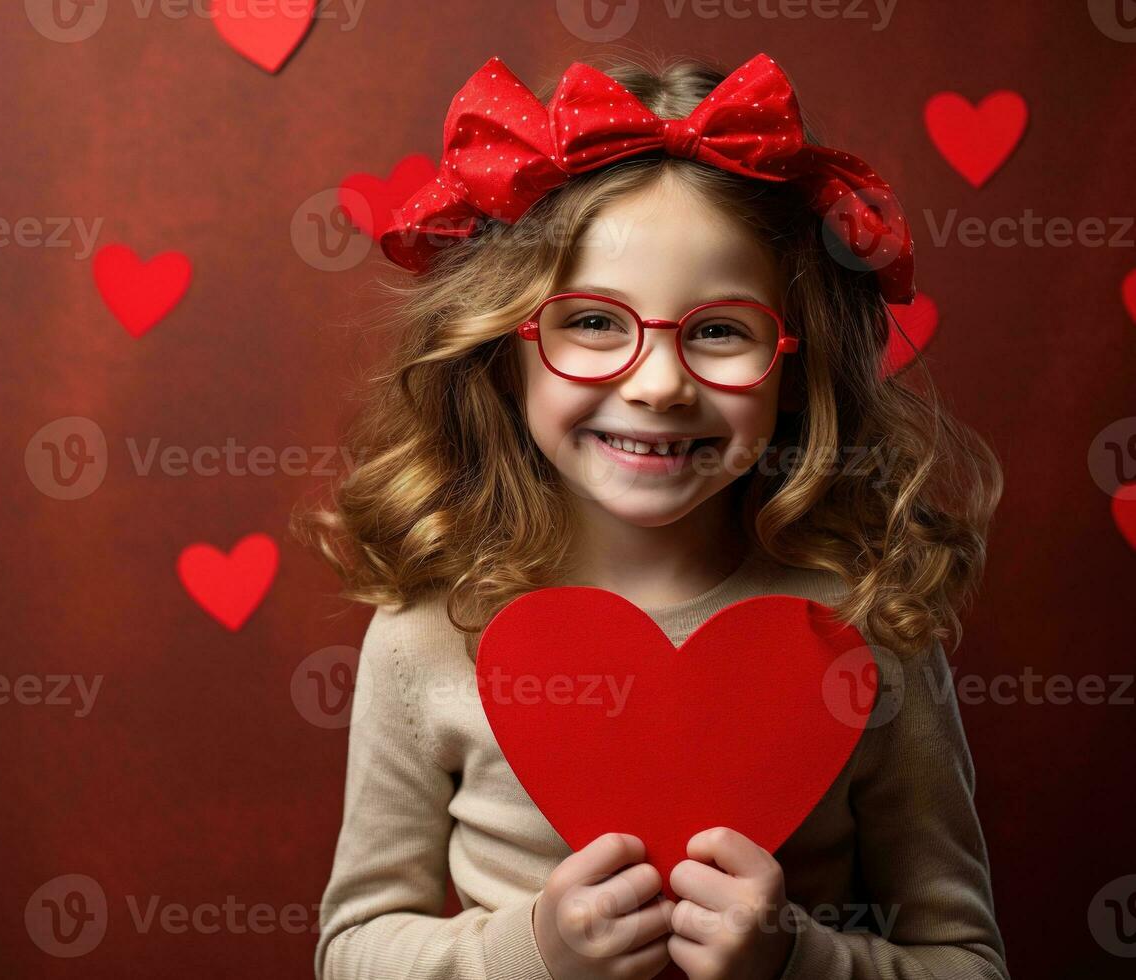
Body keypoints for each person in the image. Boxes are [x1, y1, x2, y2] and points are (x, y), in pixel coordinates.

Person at [295, 49, 1008, 980]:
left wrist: (799, 960)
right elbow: (352, 950)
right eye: (592, 321)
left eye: (719, 331)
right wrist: (532, 952)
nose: (661, 385)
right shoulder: (427, 627)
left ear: (797, 368)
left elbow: (967, 961)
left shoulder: (871, 621)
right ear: (504, 348)